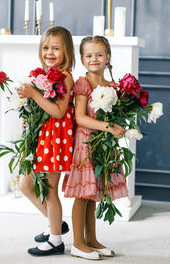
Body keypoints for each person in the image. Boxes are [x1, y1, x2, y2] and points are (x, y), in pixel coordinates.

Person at [63, 36, 128, 260]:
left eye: (99, 54)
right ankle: (78, 243)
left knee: (92, 195)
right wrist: (109, 127)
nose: (94, 59)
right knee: (82, 195)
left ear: (107, 57)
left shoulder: (112, 85)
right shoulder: (84, 84)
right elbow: (80, 118)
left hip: (102, 144)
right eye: (89, 55)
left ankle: (91, 239)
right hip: (85, 143)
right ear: (82, 59)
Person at [17, 26, 75, 256]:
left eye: (56, 48)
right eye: (45, 47)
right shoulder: (44, 77)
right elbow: (43, 109)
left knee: (50, 190)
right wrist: (30, 118)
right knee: (25, 184)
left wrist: (34, 94)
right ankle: (56, 224)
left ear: (67, 52)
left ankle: (56, 240)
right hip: (42, 137)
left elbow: (59, 112)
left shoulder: (65, 77)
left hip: (56, 140)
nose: (49, 52)